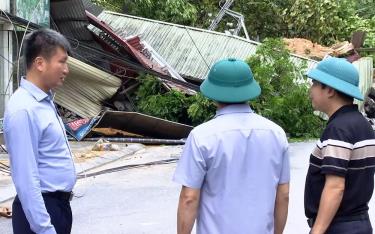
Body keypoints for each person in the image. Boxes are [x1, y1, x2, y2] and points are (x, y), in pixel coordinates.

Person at [173, 58, 290, 234]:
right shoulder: (276, 134)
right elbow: (283, 195)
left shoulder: (202, 136)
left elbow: (189, 198)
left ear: (213, 94)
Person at [3, 28, 76, 234]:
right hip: (42, 213)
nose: (66, 69)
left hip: (57, 207)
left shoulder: (44, 102)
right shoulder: (24, 109)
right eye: (61, 61)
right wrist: (44, 229)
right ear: (40, 63)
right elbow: (26, 180)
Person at [304, 57, 375, 234]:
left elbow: (335, 187)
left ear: (329, 90)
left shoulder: (339, 129)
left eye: (314, 84)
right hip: (359, 224)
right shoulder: (362, 124)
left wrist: (317, 230)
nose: (310, 90)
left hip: (338, 226)